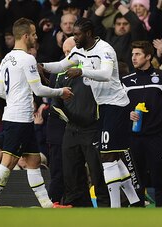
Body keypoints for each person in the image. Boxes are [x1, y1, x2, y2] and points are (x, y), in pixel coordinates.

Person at [40, 17, 139, 208]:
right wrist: (42, 66)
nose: (74, 38)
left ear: (88, 34)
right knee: (114, 158)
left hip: (116, 104)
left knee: (107, 157)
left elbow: (106, 74)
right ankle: (134, 202)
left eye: (77, 34)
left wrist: (82, 71)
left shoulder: (105, 49)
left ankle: (114, 208)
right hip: (103, 106)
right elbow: (61, 66)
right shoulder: (79, 51)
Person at [0, 18, 73, 208]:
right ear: (25, 36)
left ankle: (47, 205)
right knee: (8, 162)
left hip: (17, 115)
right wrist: (60, 92)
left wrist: (16, 95)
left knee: (33, 160)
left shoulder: (6, 58)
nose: (36, 36)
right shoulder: (27, 58)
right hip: (19, 118)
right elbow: (39, 90)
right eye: (33, 34)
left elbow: (0, 91)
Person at [121, 41, 162, 207]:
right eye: (133, 54)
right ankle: (137, 216)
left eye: (138, 54)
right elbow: (116, 106)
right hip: (133, 138)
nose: (133, 57)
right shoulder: (125, 81)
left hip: (155, 137)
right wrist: (128, 114)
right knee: (136, 181)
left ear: (148, 56)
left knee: (158, 179)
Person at [52, 36, 110, 207]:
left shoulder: (94, 70)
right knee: (70, 171)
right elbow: (56, 105)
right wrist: (71, 120)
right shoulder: (61, 75)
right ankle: (76, 205)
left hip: (93, 129)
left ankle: (105, 205)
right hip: (71, 129)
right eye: (64, 53)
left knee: (97, 171)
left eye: (70, 52)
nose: (67, 56)